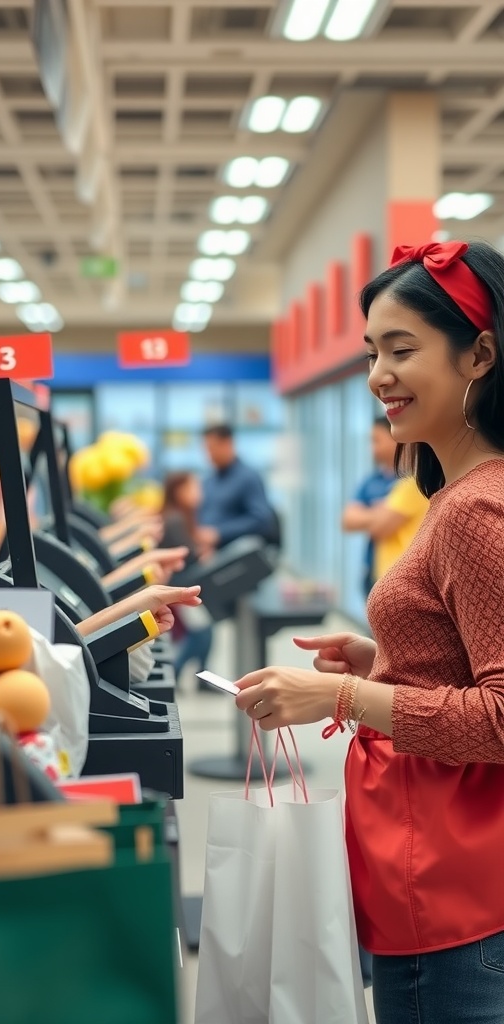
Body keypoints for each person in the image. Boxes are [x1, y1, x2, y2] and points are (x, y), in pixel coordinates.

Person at [233, 239, 504, 1023]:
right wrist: (387, 661)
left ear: (479, 354)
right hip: (439, 871)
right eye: (371, 351)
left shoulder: (475, 508)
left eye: (402, 348)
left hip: (452, 889)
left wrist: (343, 694)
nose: (379, 374)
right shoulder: (457, 496)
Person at [160, 471, 213, 684]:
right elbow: (188, 553)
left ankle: (197, 677)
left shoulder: (180, 517)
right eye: (193, 488)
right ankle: (176, 669)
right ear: (179, 491)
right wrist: (203, 551)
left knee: (205, 633)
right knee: (203, 634)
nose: (198, 493)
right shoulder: (175, 519)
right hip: (179, 589)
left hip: (182, 588)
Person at [196, 424, 277, 560]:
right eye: (206, 449)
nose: (209, 455)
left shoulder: (248, 478)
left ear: (228, 443)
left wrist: (219, 534)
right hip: (210, 555)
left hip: (237, 558)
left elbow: (261, 519)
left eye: (212, 448)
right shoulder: (209, 480)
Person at [342, 417, 397, 596]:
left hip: (398, 573)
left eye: (376, 440)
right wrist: (383, 513)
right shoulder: (372, 481)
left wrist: (370, 516)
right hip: (373, 571)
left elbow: (381, 527)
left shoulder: (413, 483)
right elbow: (348, 520)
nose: (371, 448)